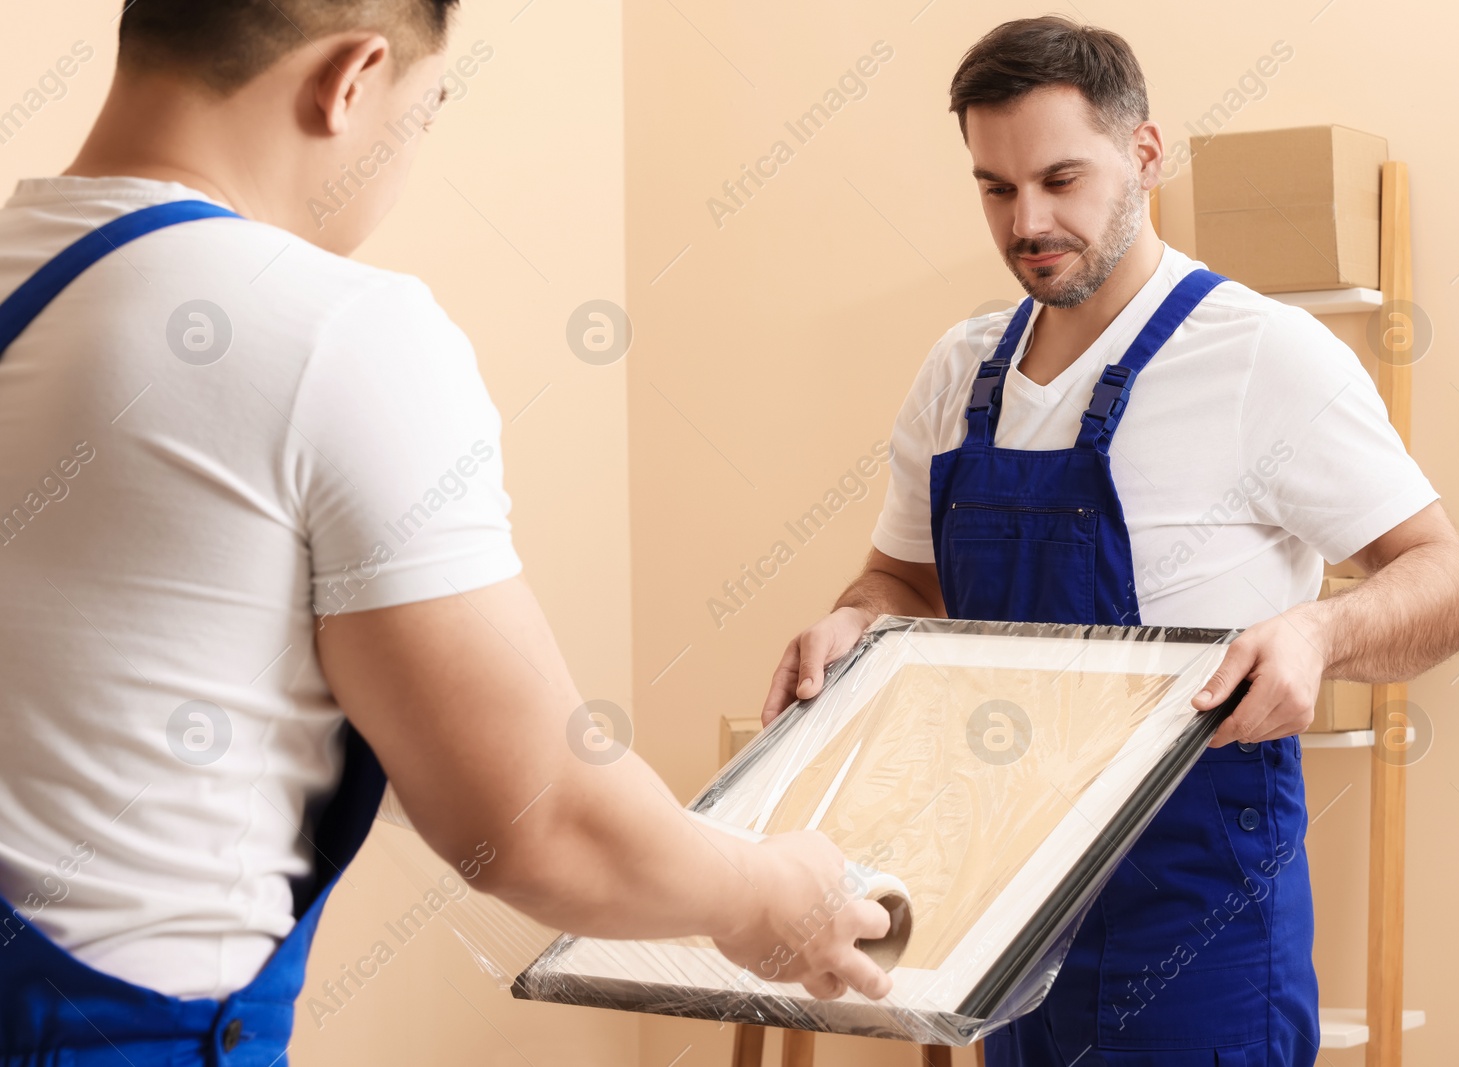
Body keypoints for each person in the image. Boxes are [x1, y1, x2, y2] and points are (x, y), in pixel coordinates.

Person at [0, 2, 890, 1062]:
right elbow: (535, 819)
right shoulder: (329, 329)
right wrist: (770, 892)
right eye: (429, 111)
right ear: (353, 79)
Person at [761, 17, 1459, 1067]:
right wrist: (853, 621)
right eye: (995, 188)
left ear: (1144, 154)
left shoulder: (1262, 356)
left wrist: (1319, 633)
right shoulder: (958, 373)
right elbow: (899, 578)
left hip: (1197, 918)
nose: (1029, 219)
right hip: (1002, 902)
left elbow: (1447, 584)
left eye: (1060, 177)